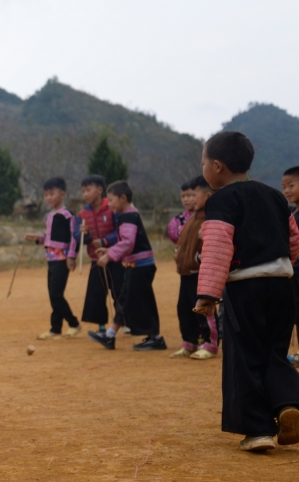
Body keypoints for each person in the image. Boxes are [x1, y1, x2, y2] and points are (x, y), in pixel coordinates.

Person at [194, 131, 299, 451]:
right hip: (283, 284)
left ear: (217, 166)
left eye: (203, 163)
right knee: (274, 352)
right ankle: (288, 404)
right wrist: (282, 267)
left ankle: (258, 430)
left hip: (246, 288)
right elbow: (293, 239)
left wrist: (208, 294)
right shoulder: (275, 196)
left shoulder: (222, 201)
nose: (203, 169)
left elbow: (217, 248)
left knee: (245, 355)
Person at [88, 181, 167, 351]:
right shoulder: (129, 215)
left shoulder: (128, 216)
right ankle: (110, 335)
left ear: (123, 198)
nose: (109, 205)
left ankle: (156, 338)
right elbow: (127, 242)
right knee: (124, 299)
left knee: (140, 302)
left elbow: (128, 242)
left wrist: (109, 256)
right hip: (135, 265)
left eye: (111, 200)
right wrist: (110, 249)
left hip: (140, 266)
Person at [24, 177, 80, 340]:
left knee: (56, 294)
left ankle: (74, 323)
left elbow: (74, 237)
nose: (48, 197)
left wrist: (72, 256)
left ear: (62, 194)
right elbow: (49, 238)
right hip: (51, 259)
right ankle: (55, 328)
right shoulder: (49, 216)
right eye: (46, 194)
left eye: (51, 194)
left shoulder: (68, 215)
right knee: (53, 294)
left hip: (62, 259)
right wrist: (37, 238)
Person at [172, 176, 217, 359]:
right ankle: (189, 342)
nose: (190, 199)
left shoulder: (210, 218)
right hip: (185, 273)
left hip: (200, 273)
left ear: (207, 195)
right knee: (184, 309)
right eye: (187, 195)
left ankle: (210, 343)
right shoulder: (192, 217)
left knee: (204, 309)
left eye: (194, 194)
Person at [75, 174, 124, 333]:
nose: (85, 194)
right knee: (96, 293)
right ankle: (101, 324)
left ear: (100, 190)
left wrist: (104, 242)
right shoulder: (82, 214)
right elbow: (78, 237)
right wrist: (85, 234)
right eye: (83, 191)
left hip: (115, 257)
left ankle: (123, 322)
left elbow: (120, 230)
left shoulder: (112, 208)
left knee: (118, 291)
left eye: (88, 190)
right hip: (96, 259)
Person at [284, 166, 299, 364]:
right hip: (293, 272)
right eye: (283, 186)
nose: (286, 190)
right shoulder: (293, 214)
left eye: (291, 185)